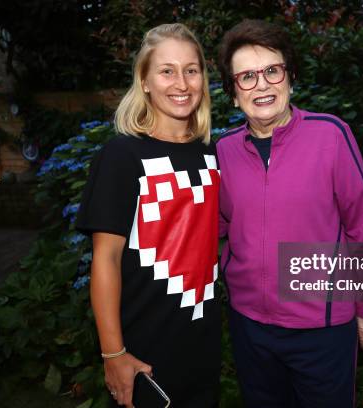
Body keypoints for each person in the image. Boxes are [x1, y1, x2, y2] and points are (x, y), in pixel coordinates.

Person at [216, 20, 363, 407]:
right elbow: (215, 226)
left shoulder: (331, 135)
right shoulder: (223, 151)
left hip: (322, 328)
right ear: (232, 93)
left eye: (271, 71)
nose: (261, 85)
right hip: (250, 326)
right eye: (246, 77)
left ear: (289, 78)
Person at [76, 23, 220, 408]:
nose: (182, 83)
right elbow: (105, 258)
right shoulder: (121, 158)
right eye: (167, 70)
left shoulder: (213, 153)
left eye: (192, 70)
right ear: (144, 80)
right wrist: (113, 353)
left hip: (204, 347)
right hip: (144, 351)